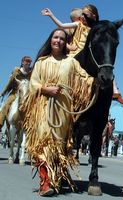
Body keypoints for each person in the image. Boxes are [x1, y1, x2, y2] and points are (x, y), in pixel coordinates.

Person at [20, 28, 96, 196]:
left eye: (62, 39)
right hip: (43, 108)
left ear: (66, 43)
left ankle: (56, 180)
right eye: (56, 37)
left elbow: (85, 78)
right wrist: (46, 89)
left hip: (62, 111)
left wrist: (98, 79)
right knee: (43, 143)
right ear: (50, 39)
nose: (58, 41)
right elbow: (33, 84)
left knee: (58, 145)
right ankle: (45, 183)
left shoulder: (71, 62)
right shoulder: (41, 62)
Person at [41, 5, 123, 105]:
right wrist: (51, 15)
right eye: (82, 14)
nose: (83, 16)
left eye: (85, 14)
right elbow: (62, 26)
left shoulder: (96, 28)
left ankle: (115, 92)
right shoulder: (78, 25)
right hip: (76, 53)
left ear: (93, 16)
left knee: (106, 66)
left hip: (90, 52)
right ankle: (58, 89)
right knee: (65, 66)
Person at [0, 56, 32, 132]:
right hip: (15, 92)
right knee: (6, 105)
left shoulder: (32, 72)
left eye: (29, 61)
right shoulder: (16, 71)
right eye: (26, 61)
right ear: (22, 62)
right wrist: (3, 92)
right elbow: (9, 82)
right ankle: (0, 123)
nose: (28, 63)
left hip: (27, 94)